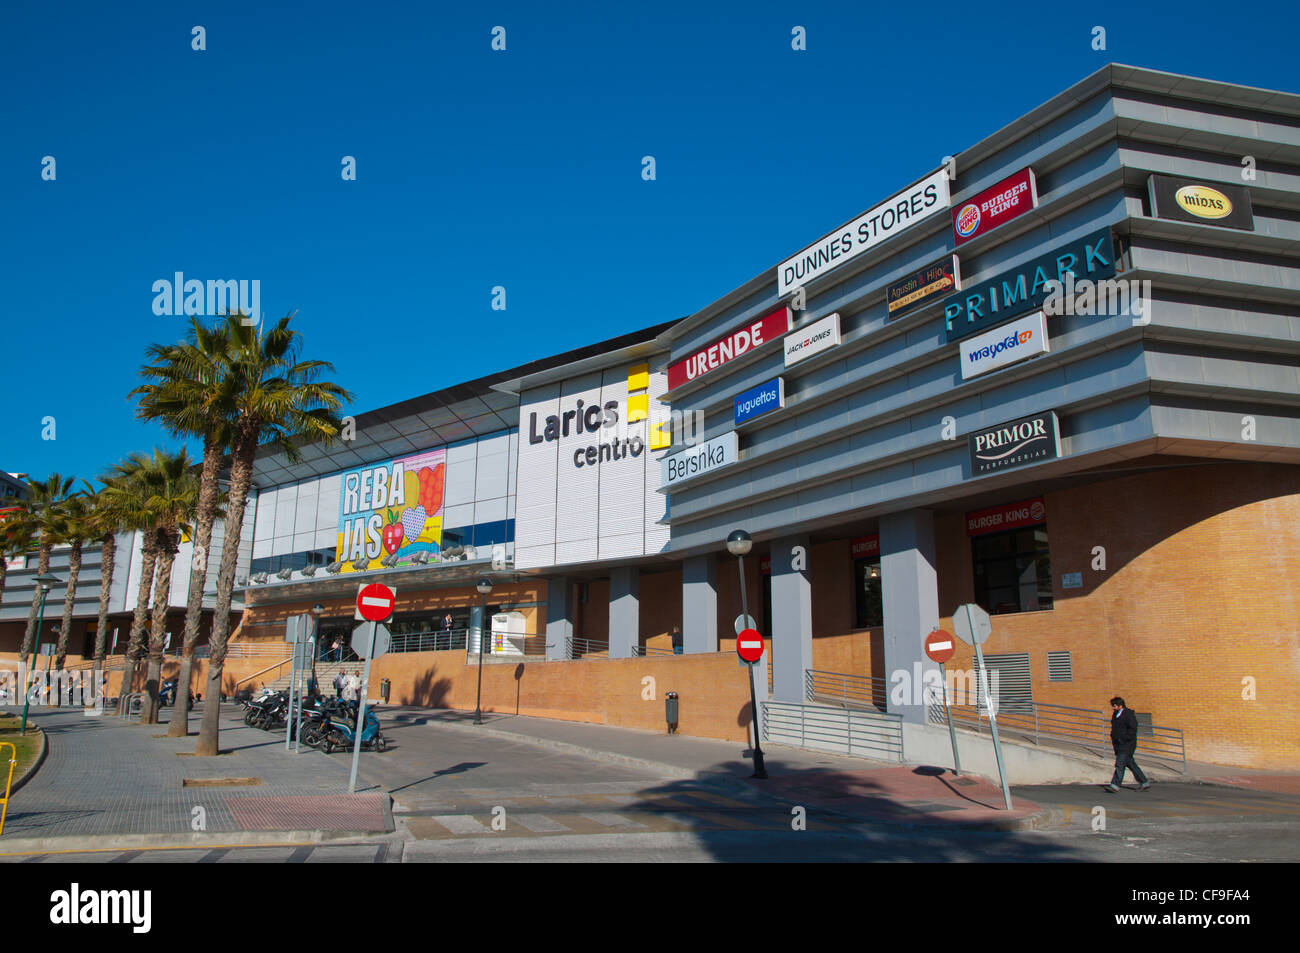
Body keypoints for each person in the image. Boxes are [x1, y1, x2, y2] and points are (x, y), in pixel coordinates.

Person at [1105, 696, 1151, 792]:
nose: (1113, 708)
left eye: (1114, 706)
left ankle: (1115, 785)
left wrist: (1124, 738)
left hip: (1127, 744)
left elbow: (1133, 729)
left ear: (1120, 706)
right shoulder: (1115, 714)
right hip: (1118, 744)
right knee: (1130, 763)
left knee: (1120, 764)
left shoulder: (1128, 715)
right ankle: (1144, 782)